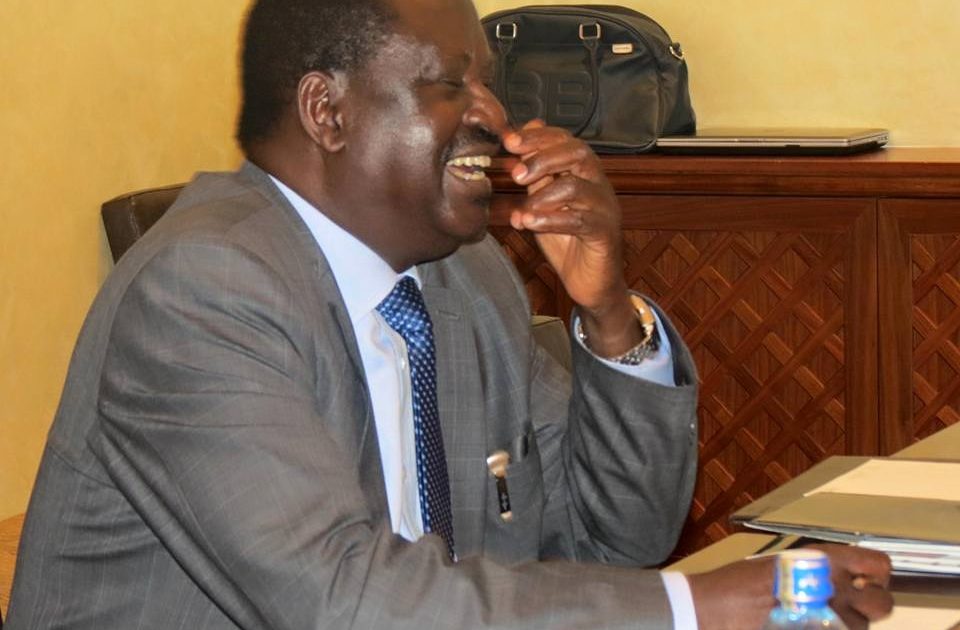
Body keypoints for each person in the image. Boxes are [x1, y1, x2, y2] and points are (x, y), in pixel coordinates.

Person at [7, 0, 893, 628]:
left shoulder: (464, 278)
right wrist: (695, 608)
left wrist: (607, 314)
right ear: (327, 111)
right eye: (449, 86)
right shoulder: (202, 293)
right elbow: (340, 601)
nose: (494, 117)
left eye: (489, 85)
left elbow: (617, 538)